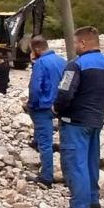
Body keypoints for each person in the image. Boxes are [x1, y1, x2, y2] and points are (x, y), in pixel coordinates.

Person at [54, 26, 104, 208]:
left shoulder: (76, 65)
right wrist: (97, 107)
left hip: (74, 121)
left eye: (75, 43)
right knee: (91, 162)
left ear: (83, 43)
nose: (74, 47)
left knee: (76, 164)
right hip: (95, 120)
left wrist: (58, 109)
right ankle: (93, 199)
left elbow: (65, 93)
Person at [25, 37, 67, 188]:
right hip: (60, 106)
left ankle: (46, 176)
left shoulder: (40, 63)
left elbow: (35, 87)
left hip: (43, 107)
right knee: (66, 142)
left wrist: (31, 104)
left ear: (36, 49)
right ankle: (68, 176)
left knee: (45, 144)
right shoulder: (63, 62)